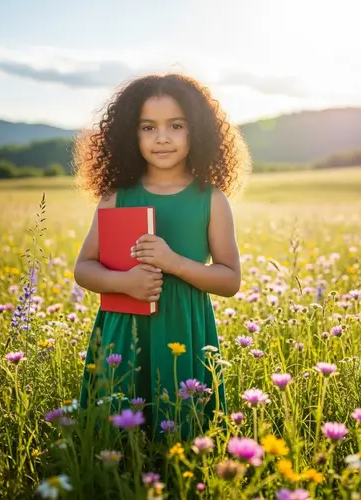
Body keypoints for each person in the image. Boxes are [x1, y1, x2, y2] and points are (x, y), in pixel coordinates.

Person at [72, 73, 251, 440]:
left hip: (183, 327)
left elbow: (230, 280)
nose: (162, 137)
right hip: (125, 330)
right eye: (148, 127)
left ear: (196, 131)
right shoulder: (116, 196)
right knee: (119, 434)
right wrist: (125, 282)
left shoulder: (211, 199)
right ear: (130, 134)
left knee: (180, 429)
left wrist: (174, 263)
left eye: (176, 125)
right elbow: (84, 269)